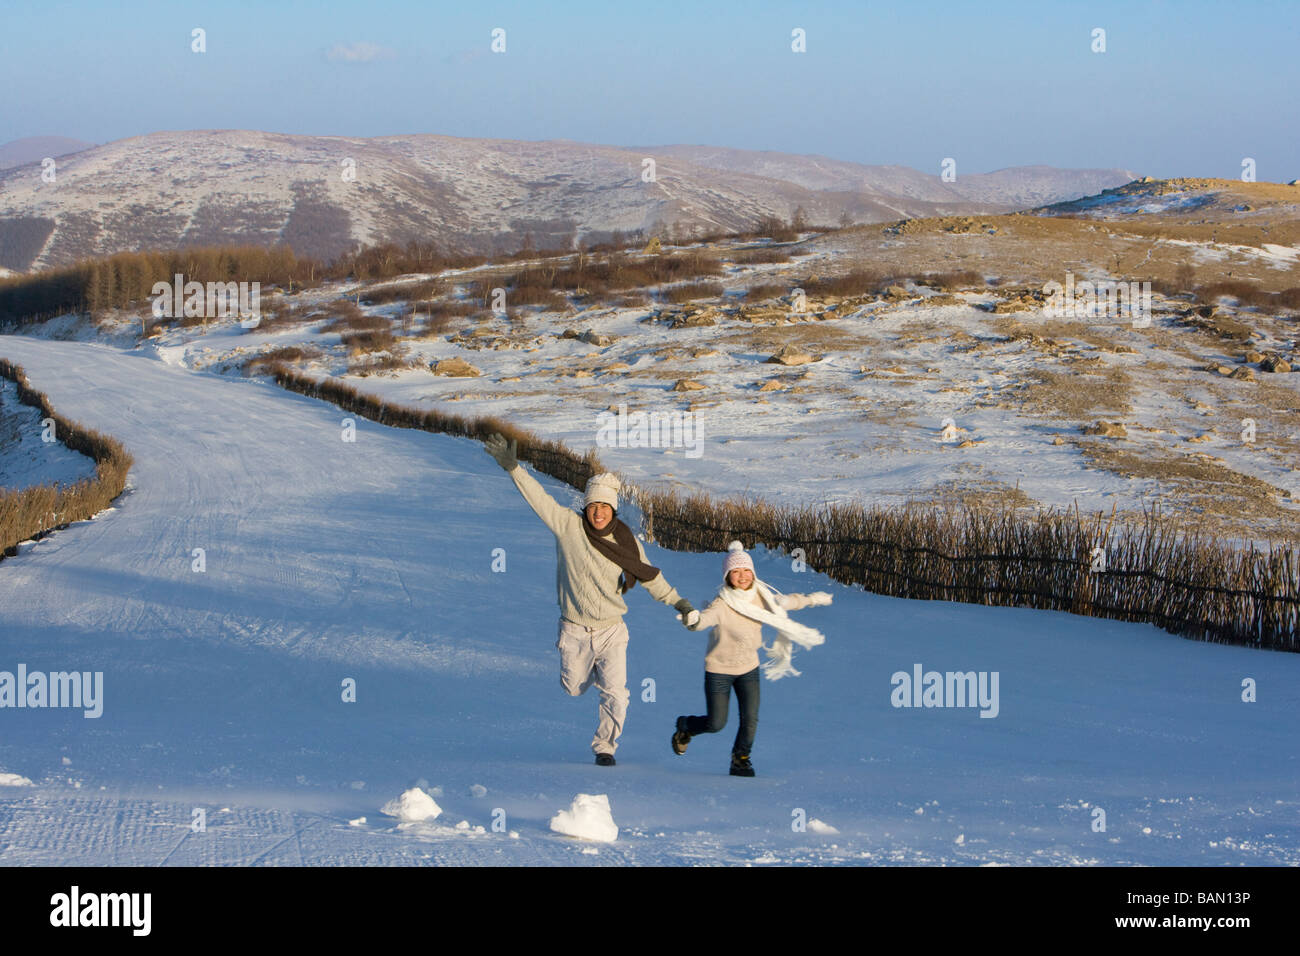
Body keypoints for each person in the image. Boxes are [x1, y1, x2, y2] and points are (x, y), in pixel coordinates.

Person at [485, 433, 694, 766]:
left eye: (605, 507)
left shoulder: (627, 542)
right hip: (575, 629)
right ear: (586, 506)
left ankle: (605, 748)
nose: (599, 512)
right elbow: (539, 500)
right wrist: (514, 469)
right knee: (573, 688)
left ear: (613, 509)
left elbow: (650, 575)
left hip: (612, 631)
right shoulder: (569, 527)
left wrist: (679, 603)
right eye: (593, 506)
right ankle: (591, 672)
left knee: (617, 694)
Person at [673, 541, 831, 777]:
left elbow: (788, 602)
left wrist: (813, 599)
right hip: (719, 670)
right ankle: (686, 727)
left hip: (748, 668)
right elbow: (703, 620)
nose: (742, 576)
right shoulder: (722, 604)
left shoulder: (763, 597)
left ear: (753, 573)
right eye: (735, 572)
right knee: (716, 723)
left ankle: (741, 759)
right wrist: (692, 619)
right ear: (727, 576)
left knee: (750, 718)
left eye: (746, 570)